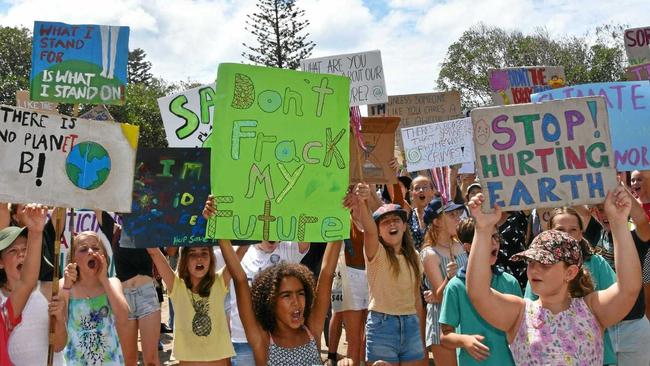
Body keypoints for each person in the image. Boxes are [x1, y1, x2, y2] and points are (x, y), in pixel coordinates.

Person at [466, 188, 641, 364]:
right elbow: (478, 293)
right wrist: (482, 229)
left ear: (570, 272)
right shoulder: (519, 314)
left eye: (545, 264)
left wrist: (618, 222)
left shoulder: (592, 310)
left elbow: (629, 289)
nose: (534, 270)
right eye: (531, 262)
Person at [218, 230, 340, 364]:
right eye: (286, 295)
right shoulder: (262, 340)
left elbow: (327, 272)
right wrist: (219, 229)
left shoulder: (312, 330)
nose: (296, 301)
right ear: (270, 301)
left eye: (300, 293)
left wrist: (340, 219)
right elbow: (239, 279)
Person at [523, 207, 617, 365]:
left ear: (581, 233)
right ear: (549, 233)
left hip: (597, 356)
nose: (566, 234)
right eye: (560, 229)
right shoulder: (538, 267)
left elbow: (618, 300)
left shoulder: (597, 263)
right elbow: (529, 310)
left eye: (573, 229)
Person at [353, 182, 425, 365]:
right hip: (382, 325)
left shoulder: (415, 257)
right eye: (385, 222)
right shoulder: (376, 253)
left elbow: (416, 298)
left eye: (396, 220)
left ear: (404, 226)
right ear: (379, 231)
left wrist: (420, 333)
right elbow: (368, 231)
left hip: (411, 324)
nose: (391, 224)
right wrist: (363, 201)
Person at [439, 217, 521, 365]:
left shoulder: (510, 282)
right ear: (468, 247)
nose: (495, 242)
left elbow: (523, 328)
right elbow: (445, 336)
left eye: (496, 236)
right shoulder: (455, 286)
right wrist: (464, 340)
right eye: (487, 238)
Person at [583, 191, 650, 365]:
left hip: (634, 326)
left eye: (607, 208)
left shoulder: (636, 237)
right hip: (602, 327)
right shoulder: (594, 234)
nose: (604, 214)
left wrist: (617, 186)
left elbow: (642, 219)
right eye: (599, 209)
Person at [147, 242, 236, 365]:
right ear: (184, 260)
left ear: (211, 258)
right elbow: (154, 253)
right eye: (192, 254)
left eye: (204, 253)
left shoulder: (219, 282)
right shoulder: (177, 286)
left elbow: (239, 254)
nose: (199, 258)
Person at [53, 231, 129, 365]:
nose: (90, 252)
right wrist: (66, 288)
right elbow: (60, 326)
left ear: (104, 255)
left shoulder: (112, 283)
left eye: (95, 248)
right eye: (83, 249)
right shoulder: (62, 285)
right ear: (73, 259)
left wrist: (104, 279)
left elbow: (124, 317)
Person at [96, 211, 161, 366]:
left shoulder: (149, 229)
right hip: (123, 298)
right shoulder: (115, 232)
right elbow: (97, 205)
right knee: (128, 360)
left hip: (146, 294)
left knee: (151, 360)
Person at [420, 196, 466, 366]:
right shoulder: (430, 254)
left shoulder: (461, 244)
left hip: (464, 316)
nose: (458, 218)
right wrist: (448, 278)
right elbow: (439, 297)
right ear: (437, 221)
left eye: (458, 213)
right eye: (451, 215)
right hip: (443, 321)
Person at [0, 204, 47, 366]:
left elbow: (27, 281)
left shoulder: (3, 316)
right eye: (12, 251)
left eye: (24, 249)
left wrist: (35, 233)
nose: (20, 254)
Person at [408, 176, 438, 251]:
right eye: (417, 188)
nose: (421, 190)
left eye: (425, 187)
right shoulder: (408, 215)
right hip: (415, 261)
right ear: (411, 194)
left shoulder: (441, 215)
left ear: (432, 191)